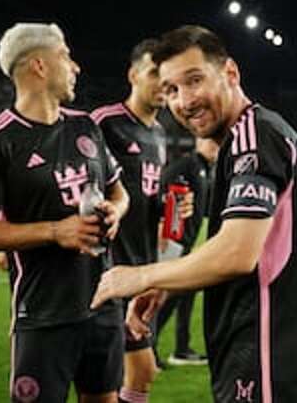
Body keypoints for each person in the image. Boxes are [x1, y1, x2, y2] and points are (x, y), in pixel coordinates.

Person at [91, 25, 297, 403]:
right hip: (270, 355)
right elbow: (245, 250)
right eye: (171, 89)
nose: (184, 101)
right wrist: (167, 284)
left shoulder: (255, 138)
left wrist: (140, 276)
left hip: (266, 360)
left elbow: (236, 254)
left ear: (230, 73)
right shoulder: (245, 139)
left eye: (194, 80)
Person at [0, 23, 129, 403]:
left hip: (103, 301)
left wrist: (115, 211)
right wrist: (55, 231)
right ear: (39, 65)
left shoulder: (86, 125)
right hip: (43, 313)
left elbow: (120, 193)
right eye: (66, 56)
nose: (75, 66)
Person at [90, 38, 191, 403]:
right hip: (107, 266)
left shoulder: (159, 133)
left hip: (141, 265)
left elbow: (145, 195)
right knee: (121, 375)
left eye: (167, 76)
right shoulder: (105, 122)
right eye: (153, 73)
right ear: (133, 75)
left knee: (138, 373)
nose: (163, 83)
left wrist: (171, 207)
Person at [153, 137, 219, 367]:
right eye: (210, 142)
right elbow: (165, 188)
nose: (215, 147)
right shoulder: (187, 164)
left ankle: (181, 348)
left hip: (187, 241)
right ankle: (146, 347)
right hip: (173, 239)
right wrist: (163, 224)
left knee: (185, 292)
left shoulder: (205, 168)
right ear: (198, 141)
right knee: (162, 296)